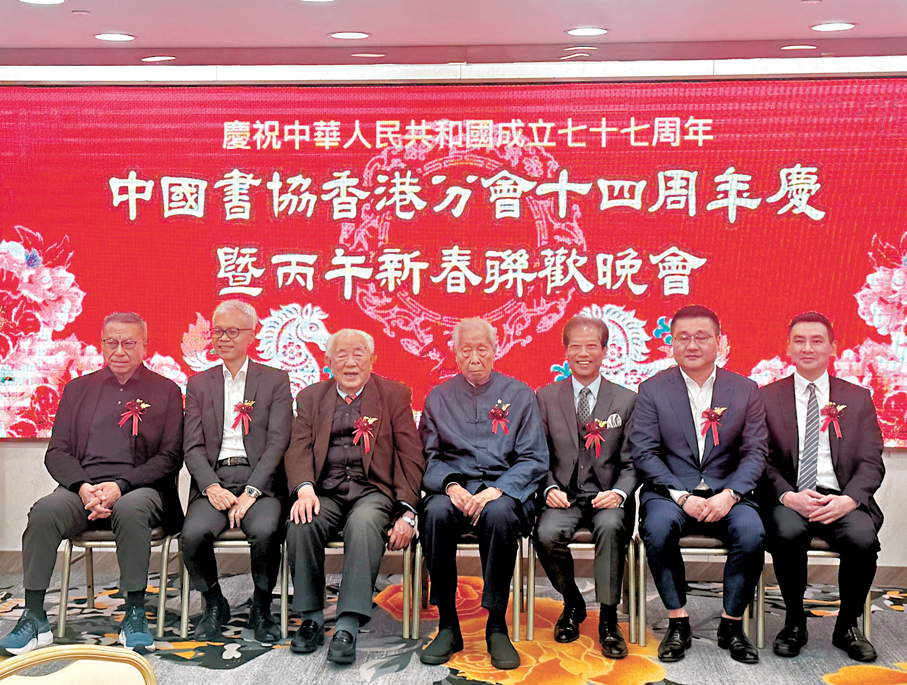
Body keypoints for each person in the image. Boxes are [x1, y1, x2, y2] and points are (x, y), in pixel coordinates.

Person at [0, 312, 183, 655]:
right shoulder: (78, 390)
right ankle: (35, 616)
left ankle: (134, 612)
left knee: (130, 509)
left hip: (139, 490)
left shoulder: (166, 391)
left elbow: (171, 457)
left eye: (128, 343)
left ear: (145, 345)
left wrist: (120, 486)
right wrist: (83, 487)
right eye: (111, 342)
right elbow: (58, 452)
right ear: (101, 344)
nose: (119, 350)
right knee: (45, 511)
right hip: (82, 491)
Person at [630, 305, 767, 664]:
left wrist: (731, 494)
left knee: (752, 532)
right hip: (670, 493)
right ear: (671, 344)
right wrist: (681, 496)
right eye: (683, 338)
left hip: (729, 494)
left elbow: (755, 452)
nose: (692, 345)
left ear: (720, 342)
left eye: (702, 337)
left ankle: (732, 624)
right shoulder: (652, 389)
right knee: (658, 528)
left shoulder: (745, 389)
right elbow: (644, 453)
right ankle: (678, 622)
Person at [284, 329, 424, 664]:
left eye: (358, 354)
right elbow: (298, 448)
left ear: (372, 359)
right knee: (302, 522)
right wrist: (304, 488)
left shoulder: (394, 394)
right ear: (328, 362)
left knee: (363, 524)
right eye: (341, 355)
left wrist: (408, 512)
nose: (350, 363)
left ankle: (347, 625)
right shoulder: (311, 397)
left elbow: (410, 455)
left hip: (372, 491)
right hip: (325, 491)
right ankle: (311, 618)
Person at [418, 317, 548, 671]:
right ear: (455, 353)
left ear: (495, 350)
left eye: (482, 349)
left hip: (502, 488)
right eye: (466, 350)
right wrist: (452, 486)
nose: (474, 357)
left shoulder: (520, 394)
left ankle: (496, 625)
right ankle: (448, 624)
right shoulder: (438, 397)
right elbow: (429, 456)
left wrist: (497, 489)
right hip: (454, 488)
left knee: (500, 513)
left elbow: (534, 457)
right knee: (435, 512)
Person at [760, 312, 884, 662]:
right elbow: (759, 460)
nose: (808, 348)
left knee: (863, 539)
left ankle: (847, 625)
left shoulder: (857, 398)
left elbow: (871, 461)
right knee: (787, 533)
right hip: (791, 496)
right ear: (788, 348)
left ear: (833, 347)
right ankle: (794, 621)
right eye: (799, 341)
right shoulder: (767, 397)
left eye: (817, 341)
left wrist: (851, 500)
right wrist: (787, 495)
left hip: (841, 498)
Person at [181, 300, 292, 642]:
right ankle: (214, 602)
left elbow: (278, 443)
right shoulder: (199, 384)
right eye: (218, 331)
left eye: (232, 331)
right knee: (193, 534)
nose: (223, 338)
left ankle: (262, 605)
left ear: (251, 335)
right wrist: (211, 487)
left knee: (266, 531)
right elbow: (192, 446)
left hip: (260, 481)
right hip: (215, 480)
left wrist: (252, 492)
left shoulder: (274, 381)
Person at [535, 315, 637, 658]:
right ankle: (573, 603)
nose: (583, 353)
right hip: (563, 495)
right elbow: (537, 454)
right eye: (575, 346)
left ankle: (608, 618)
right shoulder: (546, 397)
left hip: (606, 496)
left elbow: (633, 461)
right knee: (546, 534)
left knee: (610, 528)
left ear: (605, 351)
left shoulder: (626, 400)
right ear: (565, 351)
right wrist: (548, 488)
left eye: (591, 346)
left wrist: (619, 493)